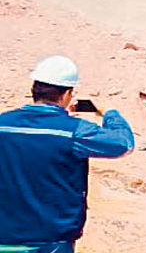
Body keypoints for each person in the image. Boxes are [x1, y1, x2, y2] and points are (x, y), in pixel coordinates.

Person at [0, 55, 135, 252]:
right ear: (67, 94)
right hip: (51, 241)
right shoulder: (74, 132)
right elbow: (123, 144)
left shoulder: (4, 123)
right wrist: (109, 113)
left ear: (34, 90)